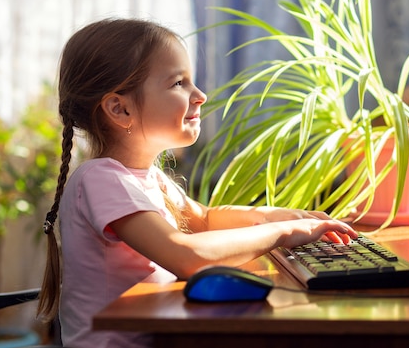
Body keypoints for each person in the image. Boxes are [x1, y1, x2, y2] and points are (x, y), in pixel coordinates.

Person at [36, 18, 357, 348]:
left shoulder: (148, 177)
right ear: (120, 108)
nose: (200, 96)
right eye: (178, 84)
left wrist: (276, 215)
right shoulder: (99, 179)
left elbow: (204, 219)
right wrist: (283, 234)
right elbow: (185, 254)